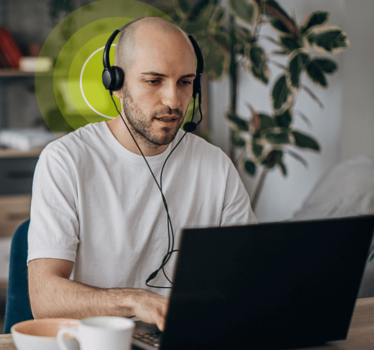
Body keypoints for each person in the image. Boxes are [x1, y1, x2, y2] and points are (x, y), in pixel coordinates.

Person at [27, 17, 256, 330]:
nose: (174, 101)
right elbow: (44, 300)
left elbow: (248, 274)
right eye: (154, 81)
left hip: (189, 339)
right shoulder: (66, 161)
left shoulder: (215, 164)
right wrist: (135, 301)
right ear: (116, 84)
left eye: (185, 82)